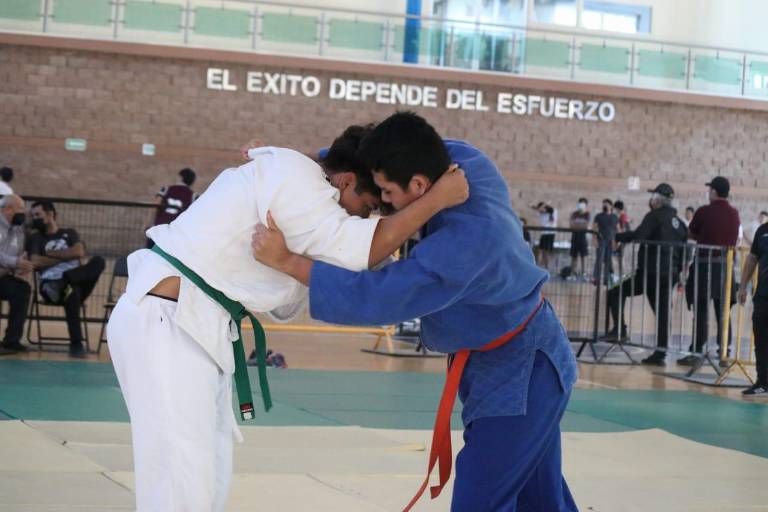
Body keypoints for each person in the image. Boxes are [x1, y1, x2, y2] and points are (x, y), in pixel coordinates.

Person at [106, 129, 469, 512]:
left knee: (208, 474)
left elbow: (355, 267)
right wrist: (438, 199)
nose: (364, 217)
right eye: (367, 207)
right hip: (167, 323)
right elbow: (361, 248)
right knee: (181, 479)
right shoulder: (296, 178)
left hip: (191, 329)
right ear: (347, 181)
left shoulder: (305, 195)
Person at [252, 112, 579, 512]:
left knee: (480, 500)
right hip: (515, 357)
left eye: (388, 192)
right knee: (540, 498)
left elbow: (376, 296)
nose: (384, 201)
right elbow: (378, 153)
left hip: (522, 372)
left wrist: (287, 262)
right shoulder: (463, 161)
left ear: (420, 185)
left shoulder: (464, 249)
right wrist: (299, 160)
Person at [602, 184, 687, 365]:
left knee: (615, 292)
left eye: (653, 196)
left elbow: (640, 234)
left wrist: (618, 237)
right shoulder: (679, 223)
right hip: (669, 274)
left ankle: (619, 330)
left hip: (650, 273)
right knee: (662, 313)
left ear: (657, 199)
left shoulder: (654, 216)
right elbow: (684, 251)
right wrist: (677, 273)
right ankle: (661, 353)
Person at [27, 201, 105, 358]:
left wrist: (49, 254)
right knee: (72, 292)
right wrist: (67, 255)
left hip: (74, 280)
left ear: (50, 214)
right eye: (33, 216)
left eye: (37, 215)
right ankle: (76, 344)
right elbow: (35, 261)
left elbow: (79, 251)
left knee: (98, 261)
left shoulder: (69, 233)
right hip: (51, 286)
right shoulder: (36, 238)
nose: (35, 219)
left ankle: (67, 279)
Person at [679, 177, 740, 366]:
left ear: (714, 191)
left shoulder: (704, 211)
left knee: (701, 309)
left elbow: (691, 232)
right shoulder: (734, 213)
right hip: (725, 267)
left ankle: (697, 350)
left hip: (705, 266)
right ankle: (724, 352)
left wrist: (702, 237)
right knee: (723, 311)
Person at [738, 219, 768, 395]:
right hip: (763, 295)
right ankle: (763, 382)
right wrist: (743, 286)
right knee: (761, 340)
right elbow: (752, 258)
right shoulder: (762, 231)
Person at [0, 195, 32, 354]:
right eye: (20, 209)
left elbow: (18, 254)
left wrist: (21, 266)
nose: (23, 213)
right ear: (8, 209)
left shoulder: (18, 229)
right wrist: (15, 262)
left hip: (4, 274)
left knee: (22, 289)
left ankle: (12, 340)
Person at [146, 168, 197, 247]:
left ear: (180, 177)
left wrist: (148, 223)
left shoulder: (166, 189)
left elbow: (155, 206)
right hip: (176, 232)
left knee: (150, 251)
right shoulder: (193, 196)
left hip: (159, 228)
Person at [592, 198, 618, 283]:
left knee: (608, 260)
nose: (604, 205)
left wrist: (617, 242)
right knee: (599, 259)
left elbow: (617, 229)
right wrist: (594, 239)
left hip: (611, 241)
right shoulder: (598, 216)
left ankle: (606, 279)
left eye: (606, 204)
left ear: (611, 206)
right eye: (603, 204)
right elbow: (594, 228)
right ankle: (596, 278)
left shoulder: (614, 217)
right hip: (601, 240)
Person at [569, 198, 590, 278]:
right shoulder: (574, 214)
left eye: (583, 203)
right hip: (574, 237)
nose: (581, 205)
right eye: (580, 203)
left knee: (583, 256)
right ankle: (572, 272)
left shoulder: (587, 214)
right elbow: (571, 225)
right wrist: (579, 226)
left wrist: (577, 225)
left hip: (583, 237)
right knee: (573, 256)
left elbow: (586, 226)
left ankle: (583, 273)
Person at [533, 202, 557, 269]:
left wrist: (545, 205)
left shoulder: (553, 211)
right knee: (542, 251)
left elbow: (551, 209)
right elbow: (538, 209)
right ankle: (541, 266)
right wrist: (544, 205)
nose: (541, 209)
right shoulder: (541, 213)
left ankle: (546, 267)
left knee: (546, 251)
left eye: (543, 208)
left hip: (550, 233)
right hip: (544, 233)